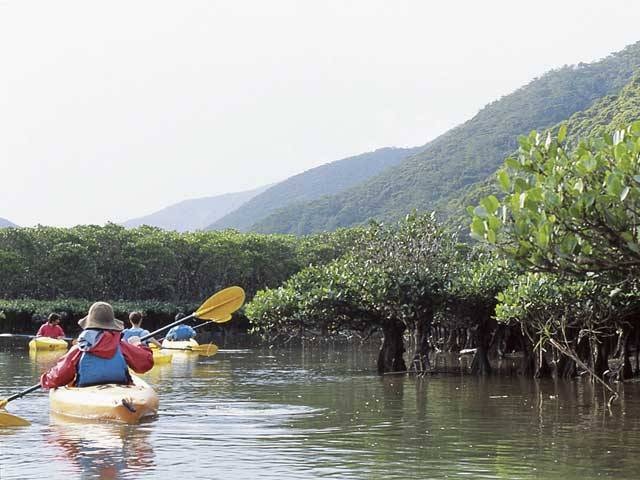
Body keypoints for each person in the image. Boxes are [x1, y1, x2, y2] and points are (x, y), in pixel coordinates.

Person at [40, 302, 153, 389]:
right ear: (112, 325)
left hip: (86, 390)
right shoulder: (121, 345)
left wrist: (46, 379)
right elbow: (146, 364)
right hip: (120, 388)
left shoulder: (80, 349)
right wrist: (139, 345)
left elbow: (58, 378)